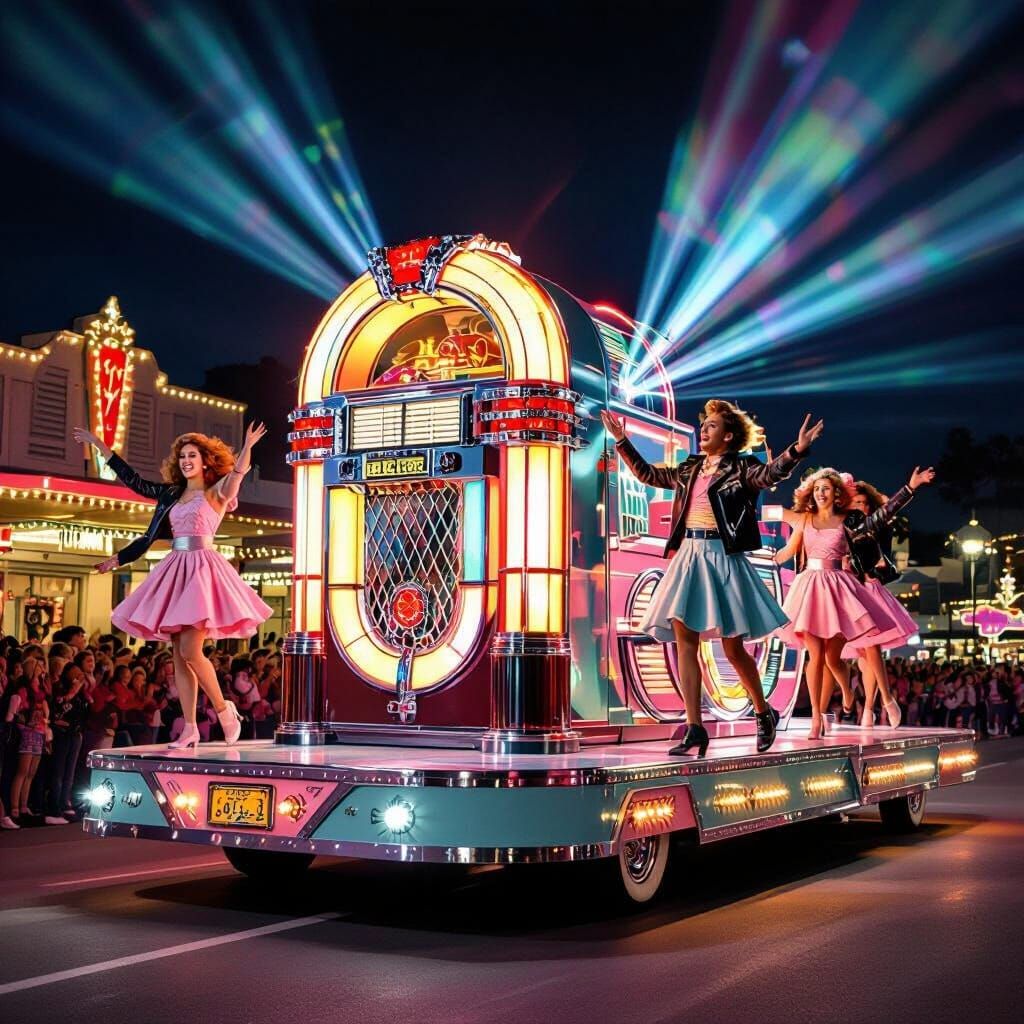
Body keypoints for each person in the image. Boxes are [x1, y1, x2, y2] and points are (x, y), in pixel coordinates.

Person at [600, 401, 822, 756]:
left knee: (733, 648)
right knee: (683, 639)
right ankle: (694, 727)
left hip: (722, 557)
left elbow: (771, 474)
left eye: (713, 426)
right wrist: (622, 440)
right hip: (689, 555)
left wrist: (797, 450)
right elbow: (649, 476)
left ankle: (764, 713)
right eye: (704, 425)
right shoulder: (690, 468)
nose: (704, 430)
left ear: (729, 436)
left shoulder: (742, 468)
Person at [72, 423, 272, 750]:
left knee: (191, 650)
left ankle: (225, 712)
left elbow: (238, 474)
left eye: (192, 455)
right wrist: (100, 446)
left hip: (202, 569)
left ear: (205, 460)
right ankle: (190, 727)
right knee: (179, 656)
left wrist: (247, 445)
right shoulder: (170, 493)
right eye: (182, 456)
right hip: (176, 568)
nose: (185, 460)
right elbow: (134, 481)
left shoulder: (216, 491)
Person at [774, 465, 934, 738]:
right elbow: (781, 536)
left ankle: (847, 690)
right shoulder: (804, 519)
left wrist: (910, 488)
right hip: (809, 587)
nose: (821, 492)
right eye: (817, 488)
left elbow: (883, 515)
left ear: (836, 493)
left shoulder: (850, 520)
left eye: (826, 488)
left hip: (838, 588)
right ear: (811, 494)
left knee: (832, 657)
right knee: (814, 656)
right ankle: (815, 718)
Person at [840, 474, 935, 727]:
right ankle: (868, 706)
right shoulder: (838, 525)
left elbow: (890, 508)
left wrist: (911, 487)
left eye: (863, 502)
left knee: (871, 647)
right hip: (846, 592)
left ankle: (883, 700)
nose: (859, 506)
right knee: (863, 659)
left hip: (869, 589)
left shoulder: (872, 526)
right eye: (854, 502)